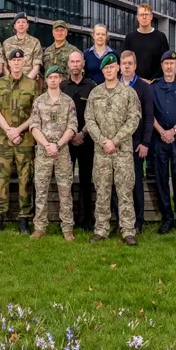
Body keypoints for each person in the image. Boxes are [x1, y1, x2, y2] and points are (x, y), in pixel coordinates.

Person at [85, 53, 142, 245]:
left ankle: (127, 230)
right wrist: (103, 141)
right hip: (101, 152)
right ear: (102, 71)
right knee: (102, 191)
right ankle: (101, 229)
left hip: (122, 151)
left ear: (117, 68)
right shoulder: (96, 93)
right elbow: (89, 120)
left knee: (125, 191)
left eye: (112, 67)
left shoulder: (128, 93)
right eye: (105, 68)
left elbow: (134, 119)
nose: (109, 70)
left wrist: (115, 141)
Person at [0, 48, 36, 233]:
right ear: (8, 63)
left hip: (24, 139)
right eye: (13, 60)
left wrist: (19, 130)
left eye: (20, 60)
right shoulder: (0, 84)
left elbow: (36, 112)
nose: (16, 63)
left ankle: (24, 218)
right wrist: (9, 130)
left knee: (26, 179)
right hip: (4, 139)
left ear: (24, 62)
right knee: (1, 178)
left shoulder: (32, 85)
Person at [29, 65, 78, 240]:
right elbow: (33, 127)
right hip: (43, 153)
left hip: (62, 152)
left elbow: (72, 127)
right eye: (50, 77)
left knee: (65, 191)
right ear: (47, 80)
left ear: (60, 79)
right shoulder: (39, 101)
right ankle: (40, 227)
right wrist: (47, 145)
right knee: (41, 190)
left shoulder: (68, 102)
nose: (53, 80)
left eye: (56, 77)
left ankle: (67, 228)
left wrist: (57, 145)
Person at [150, 51, 176, 233]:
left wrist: (173, 131)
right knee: (161, 180)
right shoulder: (153, 87)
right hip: (159, 138)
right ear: (162, 65)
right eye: (166, 63)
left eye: (172, 63)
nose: (169, 66)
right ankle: (167, 218)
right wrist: (162, 132)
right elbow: (149, 114)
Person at [119, 50, 154, 233]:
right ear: (119, 66)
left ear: (135, 66)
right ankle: (120, 220)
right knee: (118, 183)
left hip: (136, 143)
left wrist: (145, 142)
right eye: (123, 63)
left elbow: (148, 116)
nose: (126, 66)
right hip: (117, 144)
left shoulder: (143, 87)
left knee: (135, 183)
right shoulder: (113, 85)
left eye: (129, 63)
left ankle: (138, 221)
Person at [62, 51, 97, 230]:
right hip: (66, 141)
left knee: (85, 180)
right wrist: (70, 135)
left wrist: (82, 134)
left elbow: (94, 114)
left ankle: (86, 219)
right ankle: (69, 218)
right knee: (66, 181)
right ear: (68, 64)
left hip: (86, 140)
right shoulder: (62, 86)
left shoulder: (91, 86)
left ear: (83, 63)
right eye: (72, 61)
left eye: (78, 61)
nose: (75, 65)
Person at [121, 3, 169, 81]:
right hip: (134, 83)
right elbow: (124, 61)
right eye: (141, 14)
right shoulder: (130, 38)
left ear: (151, 17)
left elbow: (165, 61)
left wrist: (152, 80)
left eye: (146, 14)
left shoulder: (160, 37)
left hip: (156, 83)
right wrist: (139, 79)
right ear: (137, 17)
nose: (144, 17)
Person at [3, 12, 43, 80]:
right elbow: (4, 66)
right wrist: (10, 80)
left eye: (23, 22)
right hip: (11, 83)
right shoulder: (7, 43)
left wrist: (26, 82)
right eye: (18, 22)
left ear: (27, 25)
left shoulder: (35, 42)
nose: (21, 24)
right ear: (15, 26)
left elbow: (36, 66)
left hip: (30, 82)